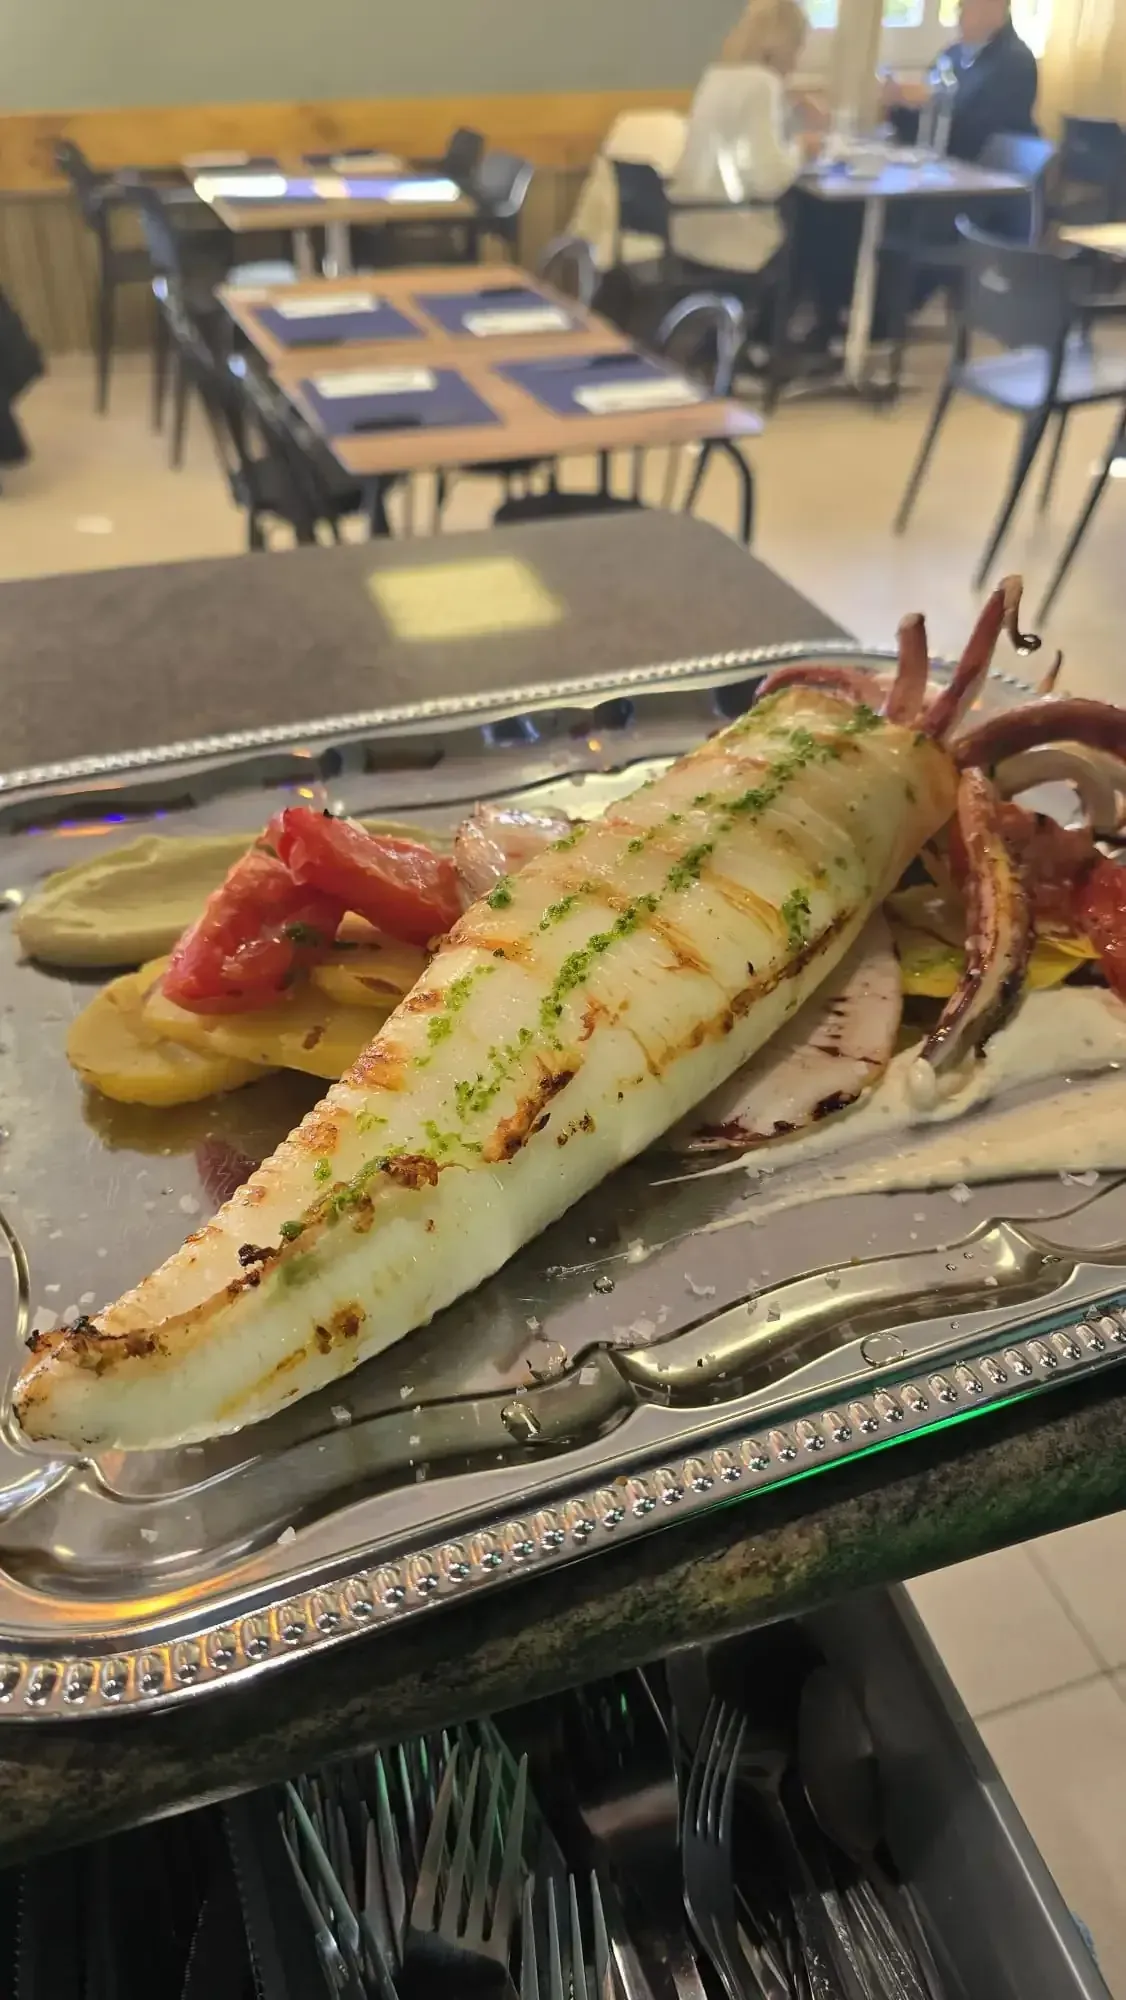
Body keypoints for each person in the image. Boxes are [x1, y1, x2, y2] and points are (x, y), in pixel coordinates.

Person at [667, 0, 823, 284]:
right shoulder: (764, 84)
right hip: (736, 241)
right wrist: (803, 148)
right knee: (826, 233)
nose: (798, 59)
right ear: (784, 44)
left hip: (690, 231)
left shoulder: (715, 76)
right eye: (798, 47)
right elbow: (769, 178)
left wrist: (789, 105)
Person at [882, 0, 1039, 164]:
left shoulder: (1016, 62)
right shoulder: (952, 54)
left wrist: (930, 99)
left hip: (991, 177)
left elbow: (974, 138)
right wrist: (899, 104)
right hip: (945, 170)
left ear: (997, 7)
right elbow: (924, 128)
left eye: (968, 4)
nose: (960, 12)